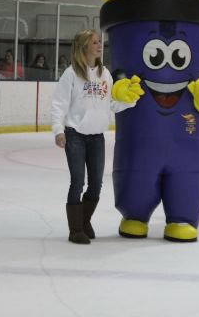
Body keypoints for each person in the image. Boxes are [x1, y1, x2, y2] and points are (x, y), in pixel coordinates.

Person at [51, 29, 144, 244]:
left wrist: (131, 100)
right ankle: (75, 230)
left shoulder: (105, 74)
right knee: (77, 182)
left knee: (96, 184)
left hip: (96, 137)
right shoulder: (71, 74)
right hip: (75, 135)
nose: (100, 45)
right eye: (95, 42)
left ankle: (84, 221)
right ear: (84, 46)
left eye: (99, 42)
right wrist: (58, 129)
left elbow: (110, 104)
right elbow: (59, 104)